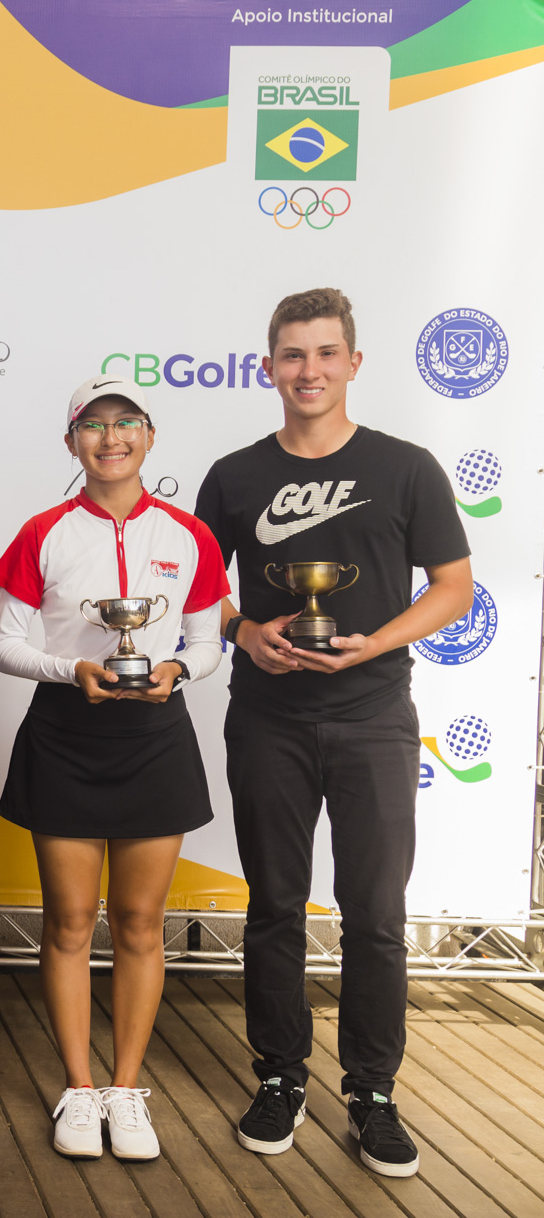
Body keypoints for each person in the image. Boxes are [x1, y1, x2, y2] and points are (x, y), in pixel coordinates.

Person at [194, 287, 472, 1179]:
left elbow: (453, 587)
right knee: (274, 904)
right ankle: (279, 1075)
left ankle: (374, 1092)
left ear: (354, 363)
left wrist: (371, 646)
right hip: (268, 717)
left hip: (375, 717)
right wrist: (246, 632)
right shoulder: (235, 475)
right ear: (267, 366)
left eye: (324, 353)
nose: (308, 370)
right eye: (291, 354)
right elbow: (195, 587)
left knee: (376, 914)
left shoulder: (407, 467)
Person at [0, 376, 229, 1161]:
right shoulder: (43, 531)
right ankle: (79, 1088)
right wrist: (73, 671)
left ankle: (127, 1091)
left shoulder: (189, 534)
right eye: (94, 425)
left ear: (150, 438)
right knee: (66, 922)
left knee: (138, 923)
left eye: (127, 423)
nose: (111, 436)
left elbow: (204, 643)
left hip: (155, 735)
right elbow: (4, 642)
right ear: (72, 444)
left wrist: (178, 674)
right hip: (65, 733)